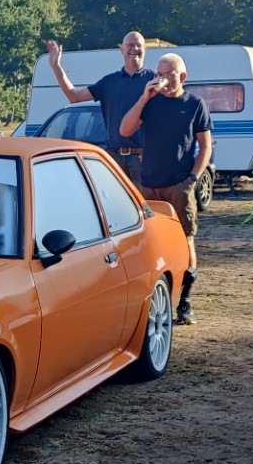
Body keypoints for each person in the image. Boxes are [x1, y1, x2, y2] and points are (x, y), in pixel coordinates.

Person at [119, 52, 211, 326]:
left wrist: (192, 179)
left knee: (186, 239)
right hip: (148, 185)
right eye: (159, 74)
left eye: (169, 74)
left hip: (179, 186)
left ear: (182, 77)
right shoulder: (150, 102)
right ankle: (154, 299)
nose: (163, 80)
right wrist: (143, 98)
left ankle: (185, 302)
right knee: (150, 241)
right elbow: (125, 130)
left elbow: (205, 147)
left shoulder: (195, 104)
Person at [47, 32, 154, 181]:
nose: (135, 49)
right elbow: (74, 97)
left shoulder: (154, 81)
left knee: (141, 198)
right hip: (113, 158)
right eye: (130, 45)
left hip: (143, 159)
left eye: (139, 45)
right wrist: (56, 67)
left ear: (145, 50)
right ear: (122, 49)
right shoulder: (109, 82)